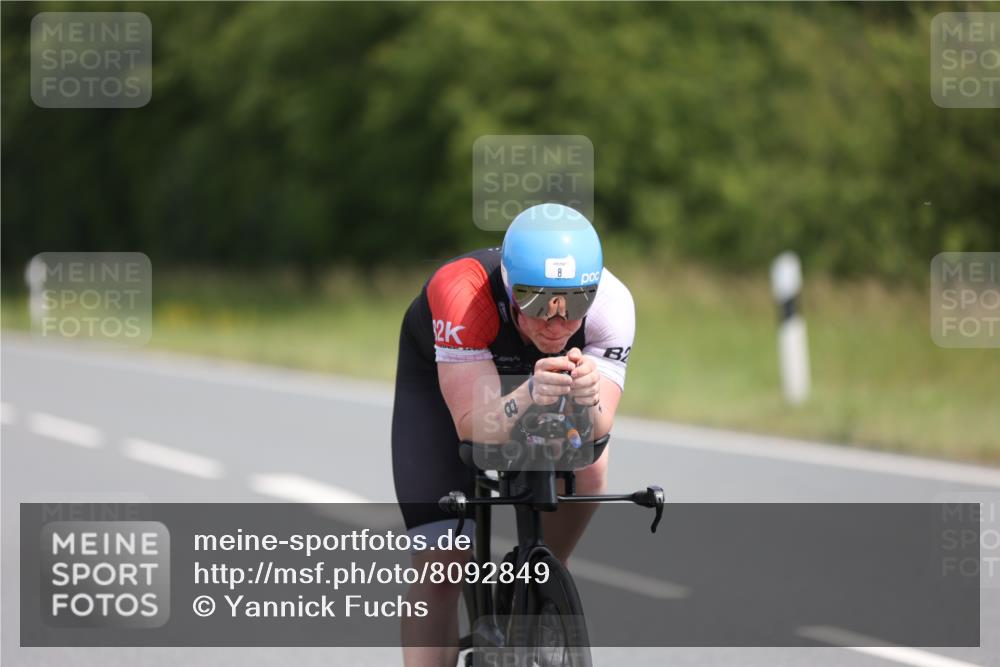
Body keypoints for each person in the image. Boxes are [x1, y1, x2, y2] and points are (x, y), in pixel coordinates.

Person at [391, 202, 635, 667]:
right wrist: (526, 394)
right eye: (538, 302)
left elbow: (600, 426)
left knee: (592, 462)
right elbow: (473, 426)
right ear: (509, 287)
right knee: (442, 566)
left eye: (573, 304)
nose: (557, 323)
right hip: (447, 387)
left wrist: (590, 398)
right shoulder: (462, 293)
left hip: (535, 381)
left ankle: (545, 573)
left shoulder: (613, 304)